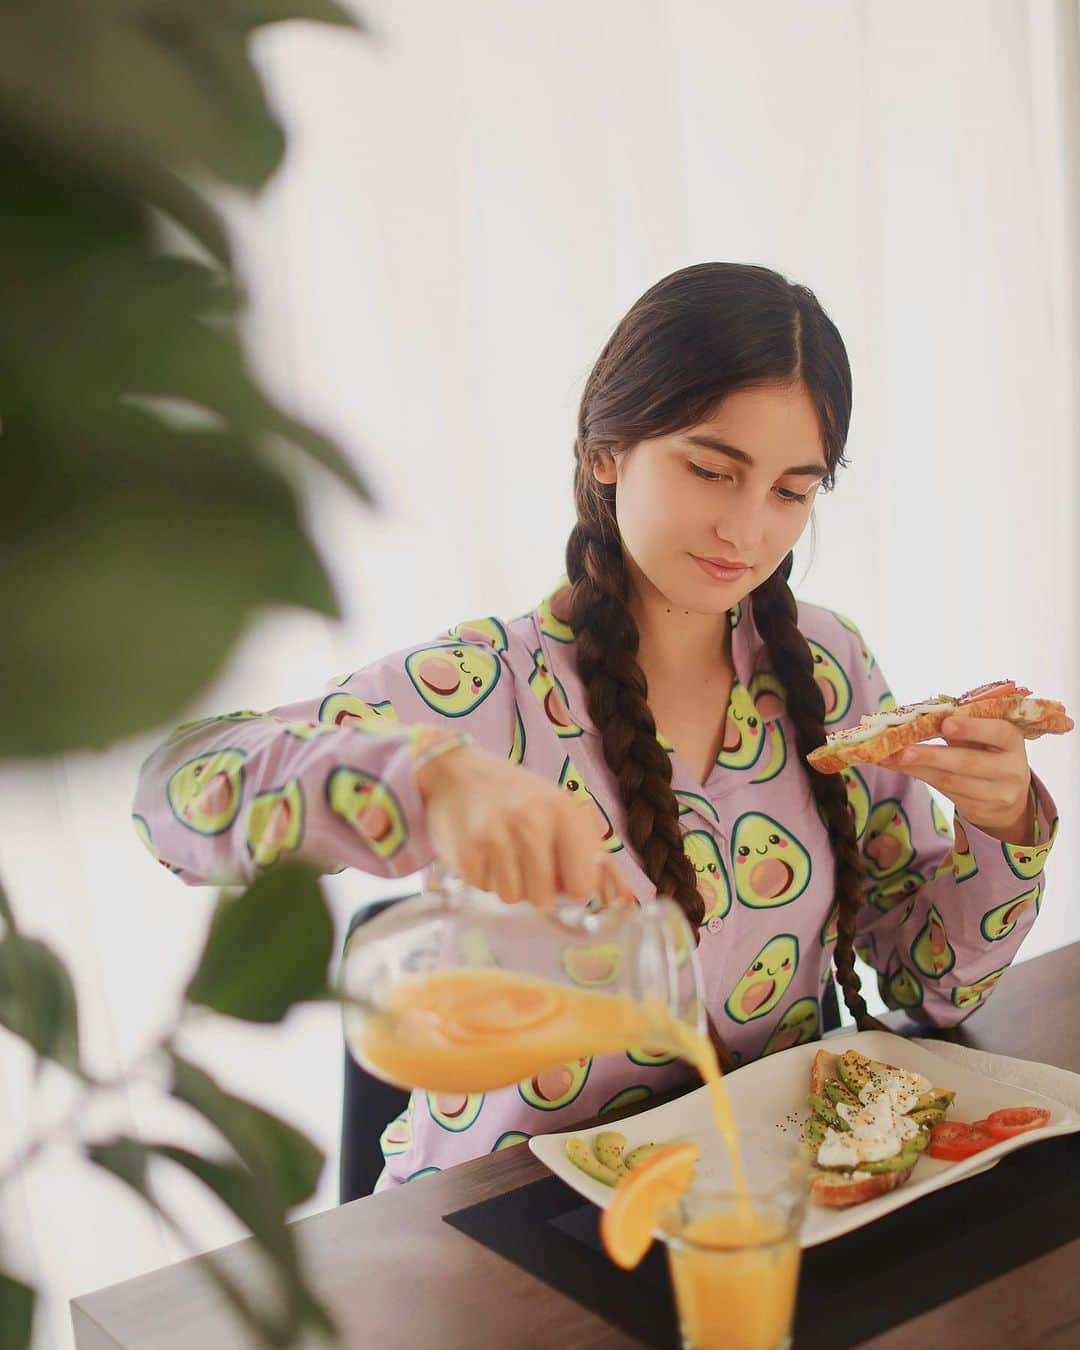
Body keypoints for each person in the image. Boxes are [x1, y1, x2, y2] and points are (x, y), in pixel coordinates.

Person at [133, 262, 1059, 1189]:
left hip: (748, 1205)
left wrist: (1007, 828)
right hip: (500, 1233)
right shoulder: (489, 687)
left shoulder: (828, 669)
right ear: (606, 449)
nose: (746, 529)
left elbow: (928, 989)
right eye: (710, 469)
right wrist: (428, 781)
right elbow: (176, 796)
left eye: (790, 491)